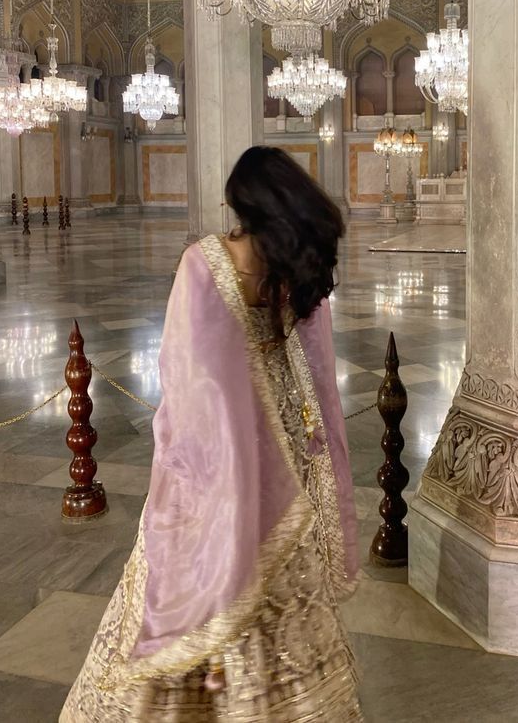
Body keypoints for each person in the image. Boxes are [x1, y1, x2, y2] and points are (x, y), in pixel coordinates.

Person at [61, 146, 362, 722]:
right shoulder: (294, 268)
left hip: (215, 463)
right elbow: (315, 372)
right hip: (285, 458)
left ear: (238, 201)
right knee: (277, 594)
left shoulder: (206, 261)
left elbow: (186, 376)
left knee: (190, 583)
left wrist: (195, 466)